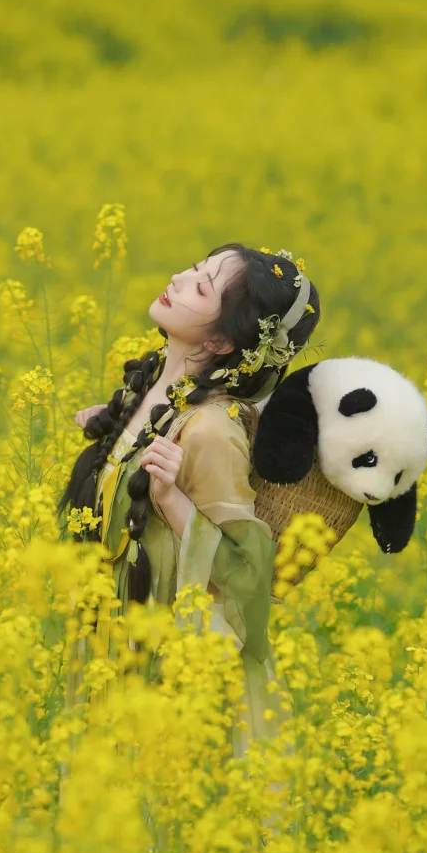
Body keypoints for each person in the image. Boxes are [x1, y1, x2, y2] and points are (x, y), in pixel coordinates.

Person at [59, 243, 321, 750]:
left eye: (201, 287)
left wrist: (173, 500)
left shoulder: (211, 431)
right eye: (196, 270)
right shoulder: (151, 384)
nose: (178, 278)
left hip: (170, 671)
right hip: (110, 644)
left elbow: (247, 579)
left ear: (222, 341)